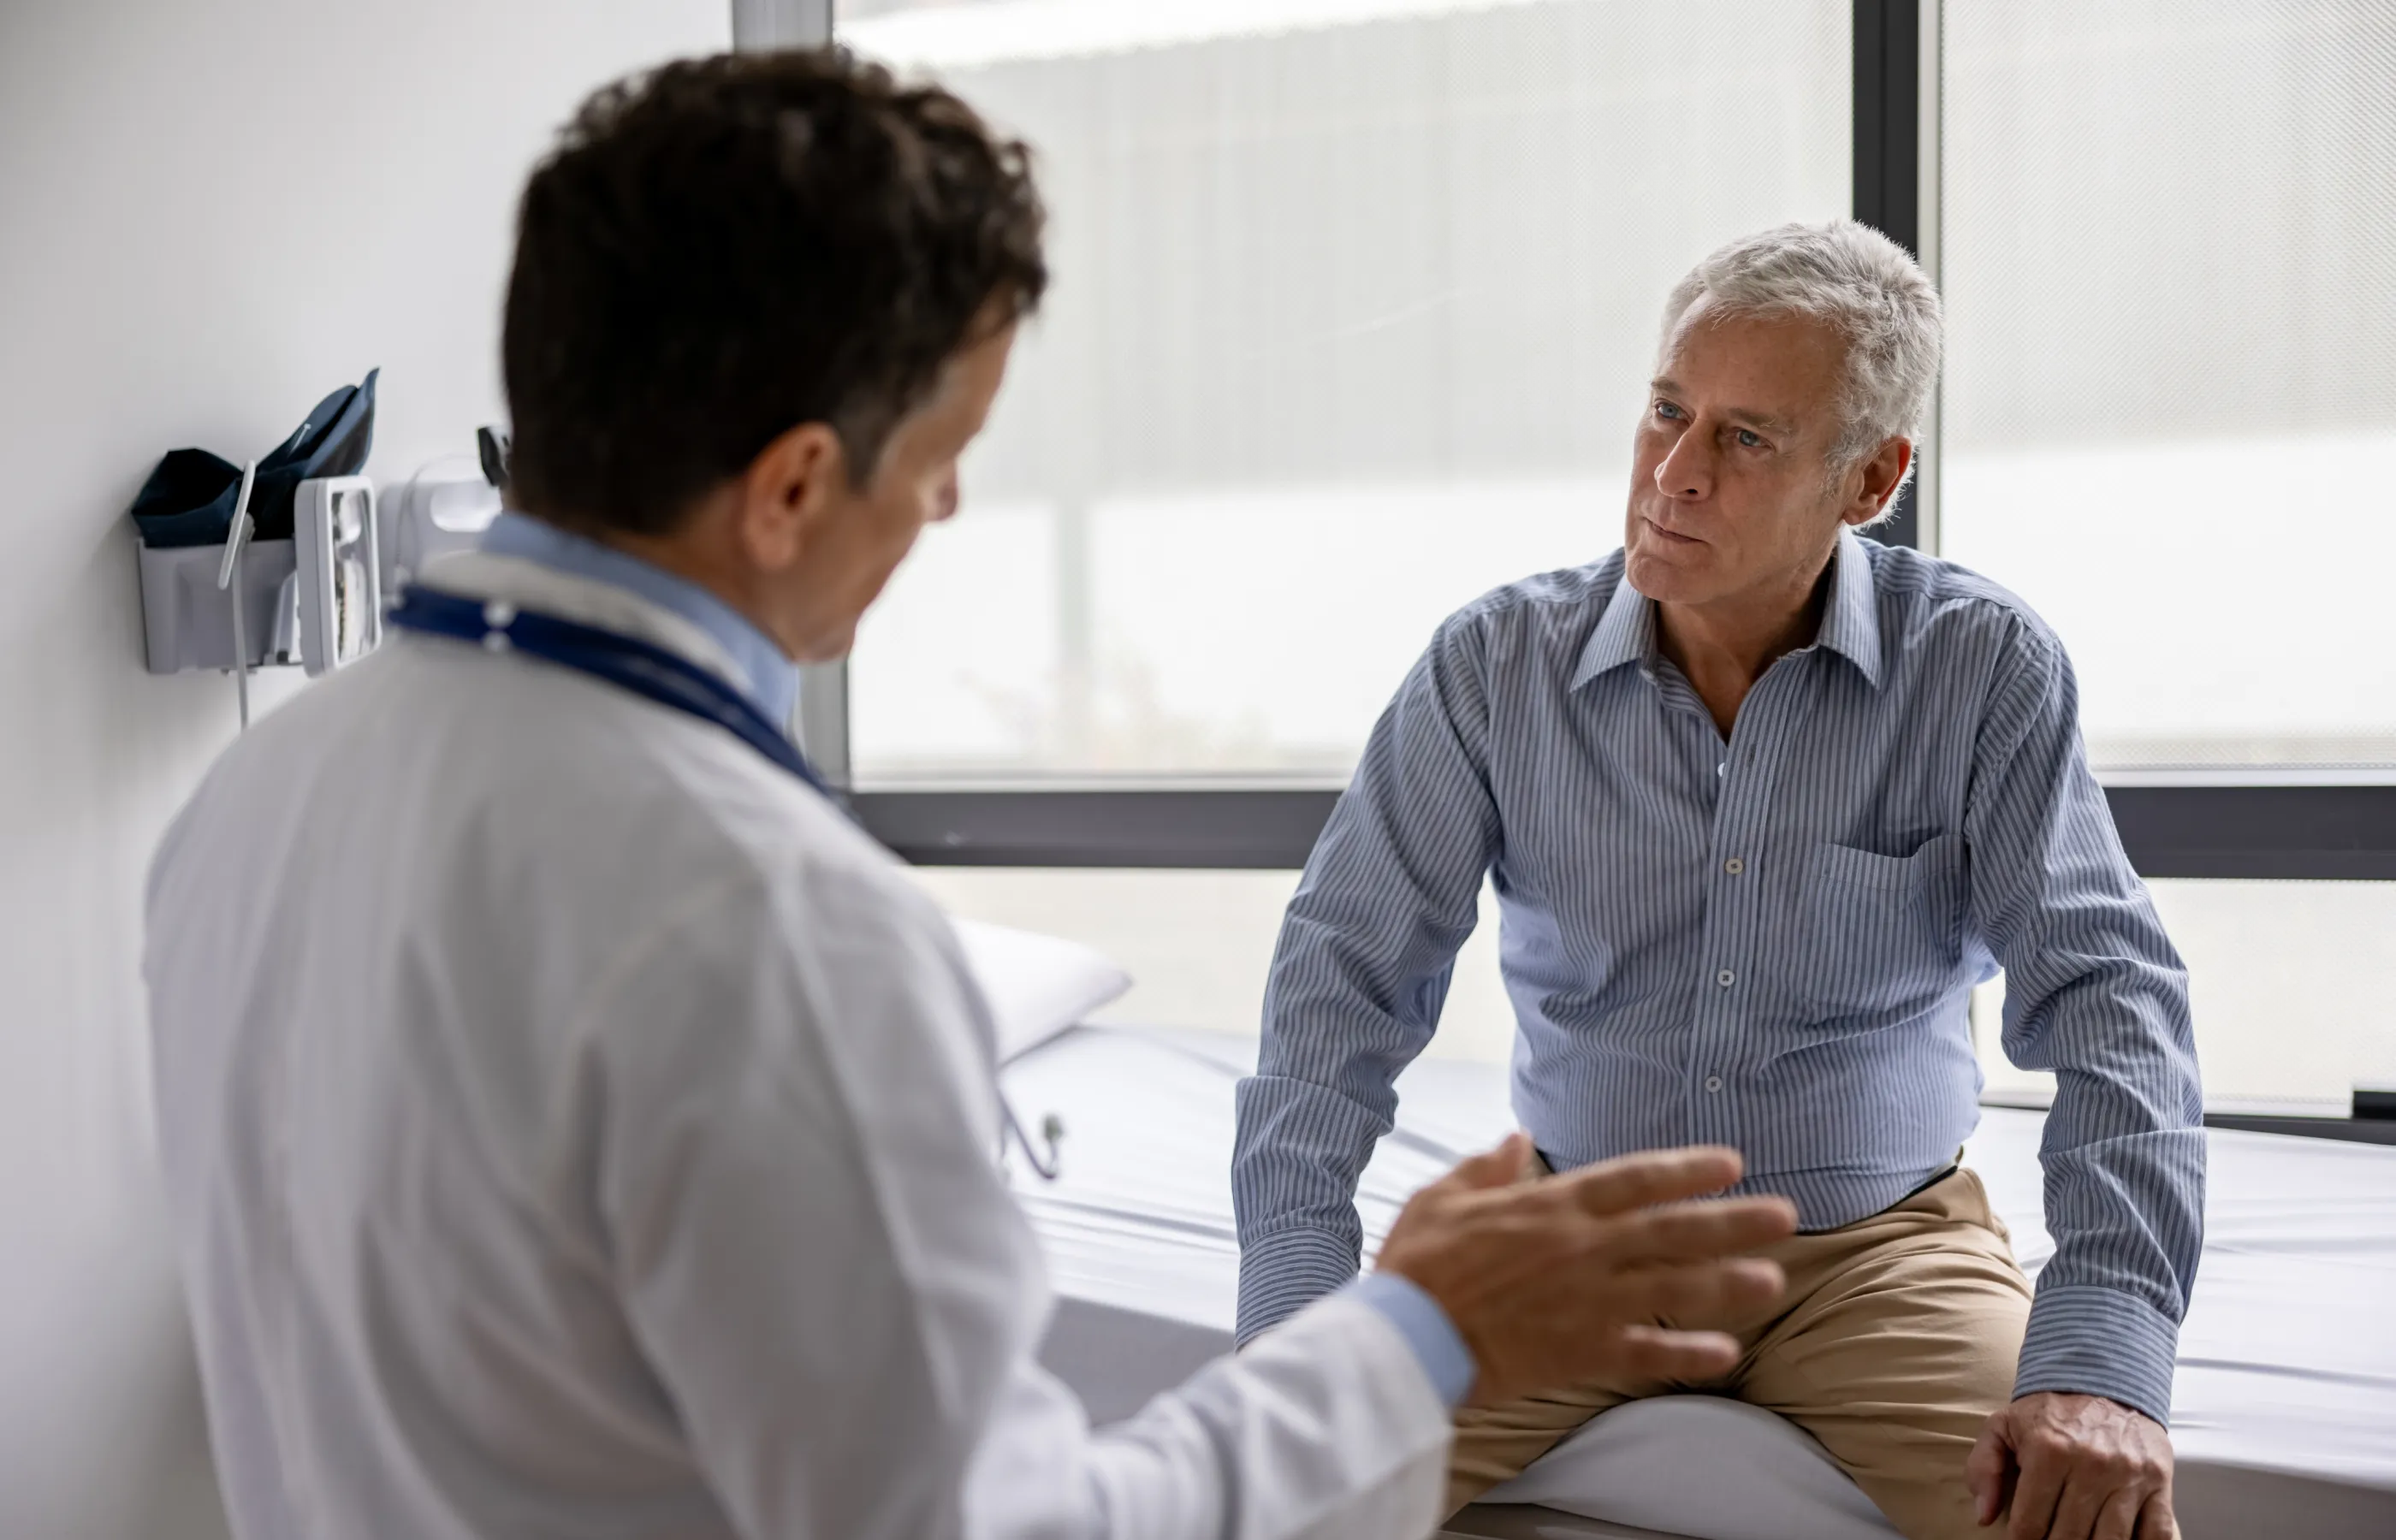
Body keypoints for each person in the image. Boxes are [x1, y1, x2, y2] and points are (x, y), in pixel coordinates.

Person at [142, 50, 1799, 1540]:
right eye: (944, 447)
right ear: (792, 483)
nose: (943, 505)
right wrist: (1422, 1324)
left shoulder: (254, 800)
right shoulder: (774, 926)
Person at [1228, 221, 2203, 1540]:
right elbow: (1337, 988)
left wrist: (2102, 1361)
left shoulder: (1981, 670)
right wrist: (1296, 1311)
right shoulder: (1490, 669)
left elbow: (2111, 1007)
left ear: (1870, 479)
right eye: (1667, 412)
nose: (1673, 475)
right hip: (1572, 1248)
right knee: (1272, 1490)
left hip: (1881, 1258)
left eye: (1746, 439)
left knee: (2078, 1520)